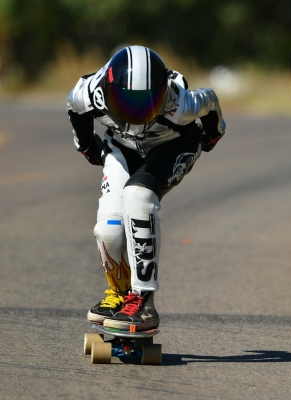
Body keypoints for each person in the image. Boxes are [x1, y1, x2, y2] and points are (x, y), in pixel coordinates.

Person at [66, 45, 226, 331]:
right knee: (108, 230)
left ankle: (143, 301)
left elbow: (211, 101)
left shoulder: (181, 104)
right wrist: (87, 146)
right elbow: (74, 107)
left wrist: (213, 135)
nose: (137, 113)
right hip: (122, 145)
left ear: (163, 94)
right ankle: (119, 294)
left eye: (146, 103)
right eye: (127, 103)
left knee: (137, 197)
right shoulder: (90, 92)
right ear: (108, 91)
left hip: (174, 143)